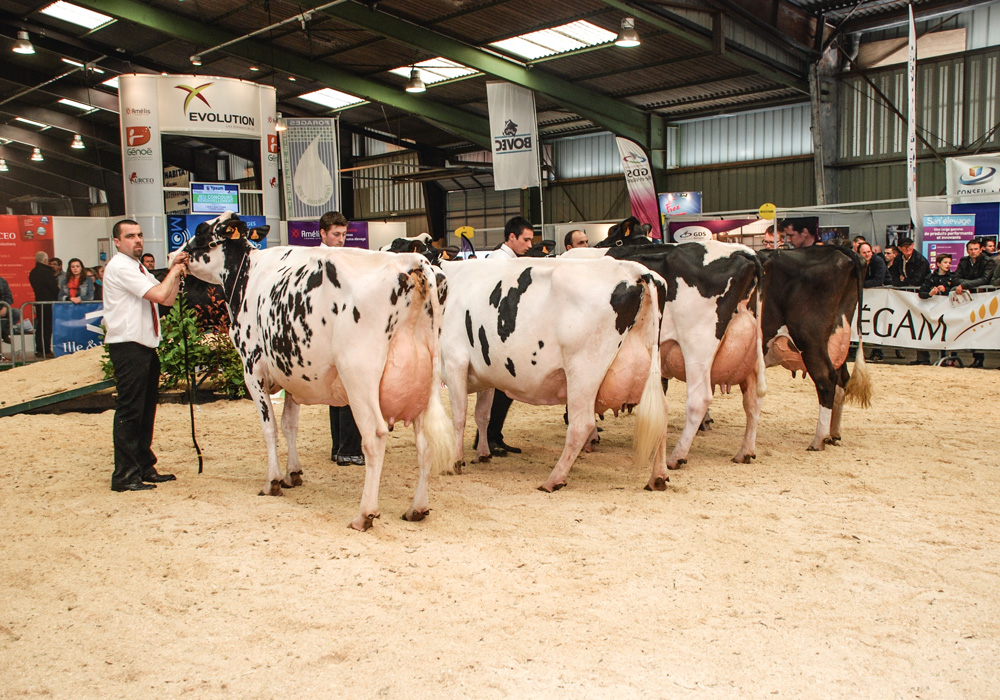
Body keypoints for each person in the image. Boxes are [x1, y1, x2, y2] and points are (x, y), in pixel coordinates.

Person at [104, 219, 188, 492]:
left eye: (139, 235)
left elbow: (167, 299)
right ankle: (125, 476)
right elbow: (160, 292)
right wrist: (173, 269)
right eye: (130, 236)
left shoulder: (137, 267)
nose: (137, 240)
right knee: (131, 410)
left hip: (143, 345)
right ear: (117, 242)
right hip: (128, 345)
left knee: (145, 408)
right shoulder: (120, 267)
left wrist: (176, 274)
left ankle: (143, 466)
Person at [483, 216, 535, 457]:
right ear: (511, 237)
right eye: (526, 239)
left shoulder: (510, 260)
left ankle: (491, 436)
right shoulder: (499, 262)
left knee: (502, 390)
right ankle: (487, 438)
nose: (530, 245)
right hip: (494, 333)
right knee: (499, 389)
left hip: (503, 331)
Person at [318, 211, 364, 466]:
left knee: (338, 390)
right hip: (336, 330)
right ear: (323, 234)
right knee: (349, 388)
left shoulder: (345, 258)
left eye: (344, 234)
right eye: (336, 234)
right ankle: (348, 449)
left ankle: (339, 448)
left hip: (335, 329)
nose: (341, 239)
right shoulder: (319, 260)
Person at [951, 239, 995, 368]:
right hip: (965, 297)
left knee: (980, 327)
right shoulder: (964, 261)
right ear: (967, 250)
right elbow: (955, 277)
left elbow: (985, 279)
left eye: (976, 249)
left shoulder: (988, 261)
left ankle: (979, 358)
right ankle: (953, 356)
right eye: (970, 249)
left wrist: (964, 284)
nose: (973, 252)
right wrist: (961, 285)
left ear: (981, 249)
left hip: (982, 298)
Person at [29, 251, 59, 358]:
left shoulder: (32, 272)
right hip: (49, 302)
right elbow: (53, 288)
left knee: (40, 326)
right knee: (47, 327)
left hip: (39, 302)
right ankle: (46, 349)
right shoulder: (47, 272)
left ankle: (39, 349)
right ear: (46, 261)